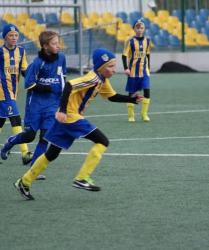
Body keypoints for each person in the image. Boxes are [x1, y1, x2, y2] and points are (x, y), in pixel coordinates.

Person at [13, 48, 143, 200]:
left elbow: (112, 96)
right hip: (70, 117)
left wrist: (131, 99)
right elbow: (68, 85)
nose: (113, 70)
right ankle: (82, 178)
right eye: (110, 66)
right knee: (102, 141)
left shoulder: (102, 80)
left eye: (114, 66)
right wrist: (62, 110)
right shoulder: (93, 78)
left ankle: (24, 182)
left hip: (65, 119)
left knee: (52, 153)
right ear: (100, 67)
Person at [1, 30, 67, 180]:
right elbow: (29, 84)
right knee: (30, 136)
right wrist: (50, 88)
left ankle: (33, 170)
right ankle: (10, 141)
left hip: (51, 105)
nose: (58, 46)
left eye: (58, 43)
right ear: (45, 46)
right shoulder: (37, 63)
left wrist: (63, 97)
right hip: (35, 106)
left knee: (45, 138)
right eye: (54, 44)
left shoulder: (62, 59)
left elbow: (62, 78)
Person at [0, 23, 32, 165]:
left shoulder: (21, 51)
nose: (13, 38)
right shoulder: (0, 52)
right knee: (16, 119)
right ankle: (25, 153)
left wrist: (35, 82)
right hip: (3, 91)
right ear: (5, 37)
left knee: (0, 121)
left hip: (13, 92)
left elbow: (25, 70)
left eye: (16, 35)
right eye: (11, 35)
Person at [122, 18, 152, 123]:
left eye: (142, 27)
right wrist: (126, 68)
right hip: (133, 72)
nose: (140, 30)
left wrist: (149, 68)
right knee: (132, 94)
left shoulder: (147, 40)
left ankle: (144, 113)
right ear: (134, 29)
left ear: (144, 29)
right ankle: (131, 115)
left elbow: (147, 55)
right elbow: (124, 55)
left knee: (147, 91)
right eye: (137, 27)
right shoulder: (130, 41)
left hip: (144, 72)